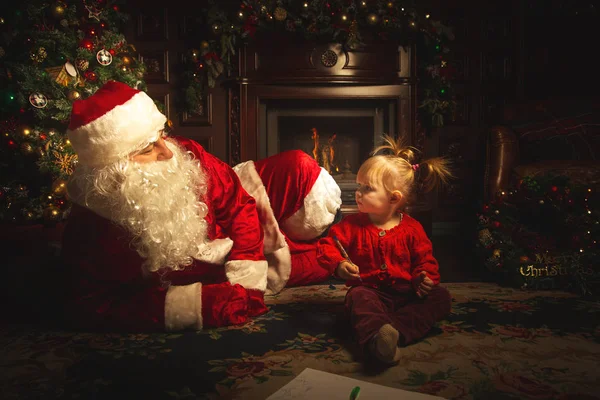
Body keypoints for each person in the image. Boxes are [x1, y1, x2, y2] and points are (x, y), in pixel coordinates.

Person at [61, 80, 341, 332]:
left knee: (299, 167)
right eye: (148, 149)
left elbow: (239, 203)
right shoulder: (91, 223)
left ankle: (321, 246)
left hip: (234, 246)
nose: (168, 151)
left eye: (161, 134)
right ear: (114, 169)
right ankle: (330, 253)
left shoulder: (185, 152)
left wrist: (248, 276)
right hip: (199, 277)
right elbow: (93, 305)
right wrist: (199, 305)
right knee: (314, 262)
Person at [316, 135, 453, 365]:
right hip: (371, 293)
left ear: (393, 198)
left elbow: (425, 261)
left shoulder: (412, 229)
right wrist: (339, 265)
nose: (358, 192)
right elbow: (327, 246)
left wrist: (424, 278)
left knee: (441, 298)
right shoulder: (351, 225)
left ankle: (390, 333)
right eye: (359, 186)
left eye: (367, 188)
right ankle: (377, 339)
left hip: (408, 295)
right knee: (357, 297)